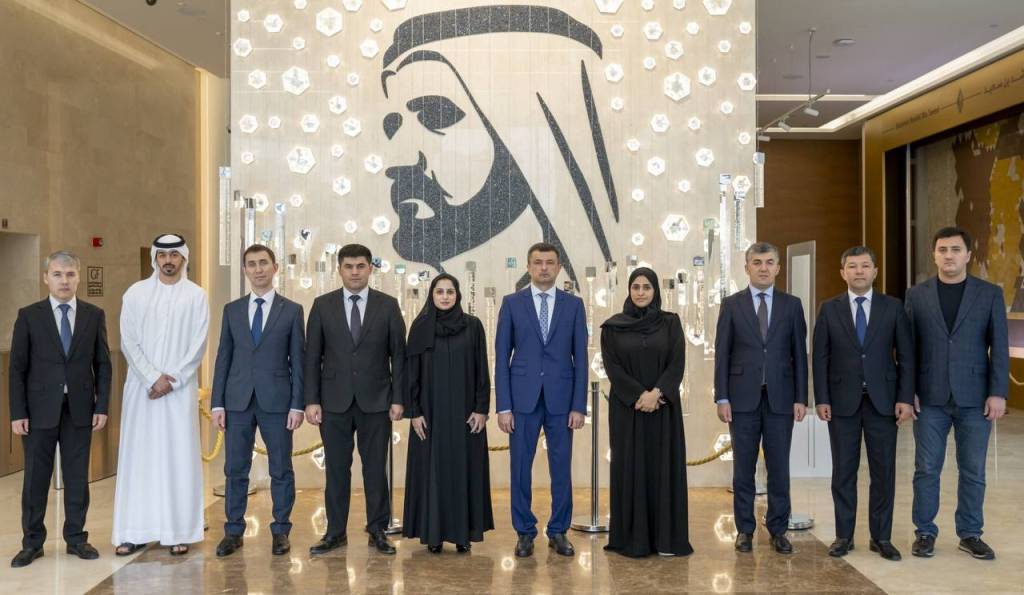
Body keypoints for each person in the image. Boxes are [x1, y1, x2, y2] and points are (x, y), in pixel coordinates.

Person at [905, 226, 1008, 560]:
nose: (948, 256)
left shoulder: (989, 294)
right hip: (929, 398)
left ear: (968, 255)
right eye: (942, 250)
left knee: (973, 470)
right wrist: (908, 391)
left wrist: (998, 392)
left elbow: (999, 346)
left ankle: (970, 533)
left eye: (955, 250)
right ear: (934, 255)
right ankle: (924, 532)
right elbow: (908, 349)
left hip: (975, 398)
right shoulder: (916, 295)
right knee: (926, 469)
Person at [8, 251, 112, 568]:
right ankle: (32, 543)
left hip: (80, 409)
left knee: (77, 478)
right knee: (35, 479)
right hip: (38, 411)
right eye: (57, 274)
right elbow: (17, 368)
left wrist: (102, 405)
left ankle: (76, 539)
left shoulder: (94, 315)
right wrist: (17, 412)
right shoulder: (29, 315)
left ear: (78, 277)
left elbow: (103, 365)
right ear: (46, 278)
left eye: (69, 274)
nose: (64, 280)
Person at [812, 246, 914, 561]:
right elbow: (820, 357)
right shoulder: (829, 309)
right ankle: (844, 536)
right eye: (853, 266)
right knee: (843, 471)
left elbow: (906, 357)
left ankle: (881, 537)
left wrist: (905, 398)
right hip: (841, 403)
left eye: (865, 266)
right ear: (843, 272)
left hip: (883, 403)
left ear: (875, 271)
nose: (859, 271)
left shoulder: (893, 307)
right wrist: (821, 398)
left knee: (883, 472)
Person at [304, 244, 406, 555]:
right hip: (333, 402)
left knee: (375, 470)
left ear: (370, 268)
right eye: (348, 266)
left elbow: (399, 356)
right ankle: (335, 532)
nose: (355, 272)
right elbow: (312, 357)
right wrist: (311, 400)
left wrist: (398, 398)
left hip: (377, 401)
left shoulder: (387, 305)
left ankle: (377, 530)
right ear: (339, 269)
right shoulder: (322, 306)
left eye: (361, 266)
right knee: (336, 470)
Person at [112, 234, 209, 557]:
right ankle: (133, 531)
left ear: (183, 258)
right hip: (142, 391)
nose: (168, 261)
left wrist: (173, 380)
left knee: (178, 459)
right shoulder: (135, 293)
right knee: (138, 460)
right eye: (163, 255)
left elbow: (198, 345)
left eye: (174, 255)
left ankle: (178, 531)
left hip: (178, 393)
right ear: (155, 258)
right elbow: (128, 341)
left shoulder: (196, 296)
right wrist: (152, 377)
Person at [210, 245, 305, 558]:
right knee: (235, 469)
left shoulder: (291, 310)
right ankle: (233, 531)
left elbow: (299, 361)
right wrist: (217, 403)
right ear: (245, 270)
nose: (258, 269)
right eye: (251, 264)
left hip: (277, 402)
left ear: (275, 267)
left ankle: (281, 531)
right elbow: (223, 358)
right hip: (236, 401)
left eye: (263, 263)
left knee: (281, 469)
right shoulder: (232, 310)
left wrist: (297, 404)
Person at [494, 242, 588, 558]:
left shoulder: (574, 305)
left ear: (559, 267)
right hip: (522, 400)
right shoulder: (512, 303)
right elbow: (501, 357)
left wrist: (579, 405)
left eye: (549, 262)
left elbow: (581, 359)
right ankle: (524, 531)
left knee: (561, 468)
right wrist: (503, 406)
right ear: (529, 267)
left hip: (562, 400)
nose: (544, 268)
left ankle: (558, 530)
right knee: (520, 468)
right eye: (538, 262)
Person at [714, 242, 808, 555]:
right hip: (741, 400)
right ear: (747, 268)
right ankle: (745, 530)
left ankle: (778, 529)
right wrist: (722, 397)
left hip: (782, 399)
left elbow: (799, 354)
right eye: (757, 262)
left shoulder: (792, 305)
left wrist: (801, 397)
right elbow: (722, 354)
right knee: (744, 468)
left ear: (778, 267)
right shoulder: (732, 305)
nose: (763, 268)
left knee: (779, 467)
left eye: (769, 262)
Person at [600, 267, 693, 558]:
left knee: (663, 468)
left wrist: (657, 393)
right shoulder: (612, 327)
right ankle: (633, 539)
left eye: (646, 287)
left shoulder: (670, 322)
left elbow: (677, 362)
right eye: (636, 287)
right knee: (630, 468)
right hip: (628, 410)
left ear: (655, 291)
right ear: (629, 290)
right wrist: (639, 395)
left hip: (663, 409)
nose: (641, 292)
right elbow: (612, 367)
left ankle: (666, 539)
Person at [402, 273, 494, 553]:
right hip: (430, 416)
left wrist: (481, 409)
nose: (445, 296)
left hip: (466, 416)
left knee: (464, 470)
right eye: (439, 291)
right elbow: (411, 373)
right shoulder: (420, 327)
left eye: (450, 292)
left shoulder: (473, 326)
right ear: (432, 295)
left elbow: (482, 370)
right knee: (434, 473)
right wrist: (414, 412)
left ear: (458, 295)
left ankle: (464, 534)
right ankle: (434, 535)